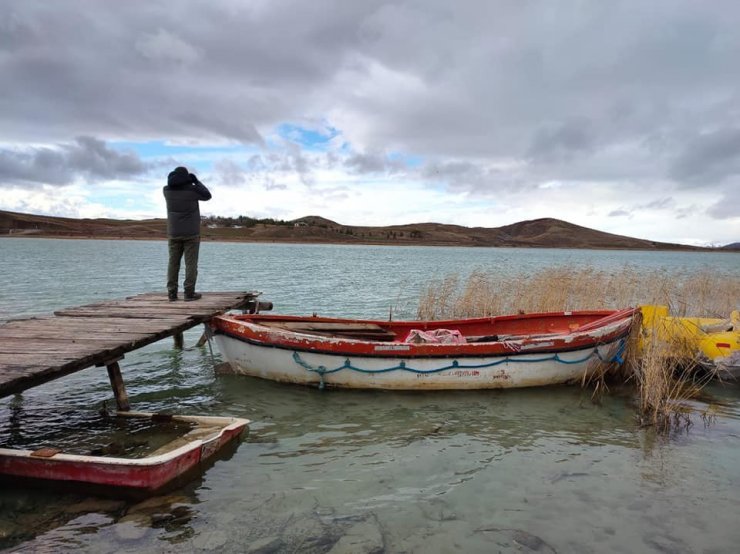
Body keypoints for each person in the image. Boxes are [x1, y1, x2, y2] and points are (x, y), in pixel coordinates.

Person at [163, 166, 211, 301]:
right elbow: (207, 195)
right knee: (190, 264)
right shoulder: (192, 190)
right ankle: (189, 293)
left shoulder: (166, 190)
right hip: (191, 233)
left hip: (173, 233)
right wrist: (196, 181)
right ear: (186, 177)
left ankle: (172, 293)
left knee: (173, 263)